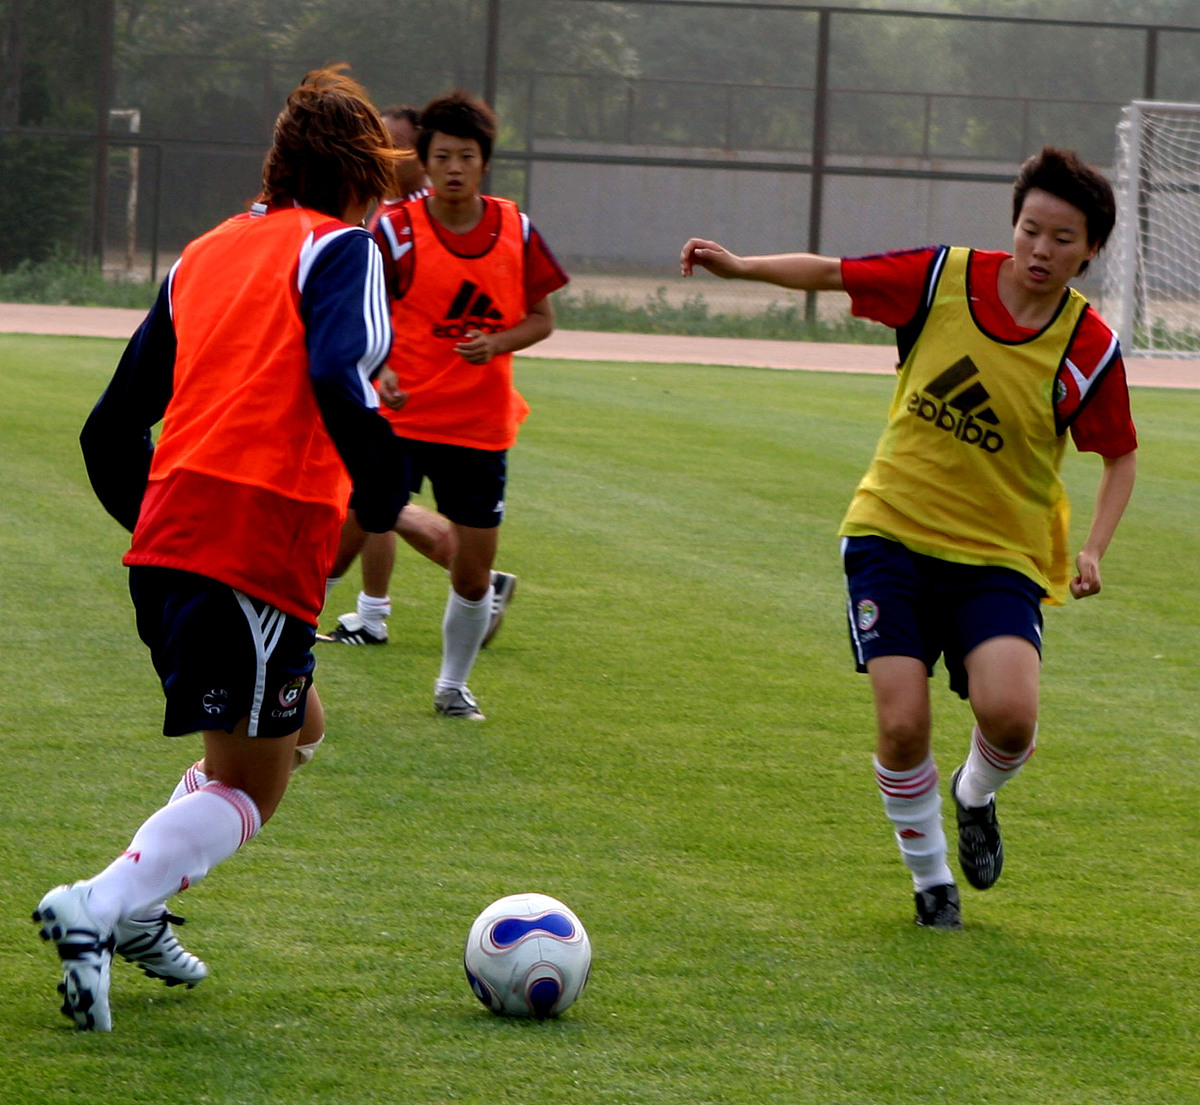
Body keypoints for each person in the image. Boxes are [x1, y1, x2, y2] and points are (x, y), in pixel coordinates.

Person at [34, 66, 408, 1031]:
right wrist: (388, 490)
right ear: (363, 174)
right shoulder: (343, 248)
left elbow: (107, 431)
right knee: (254, 786)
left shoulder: (202, 254)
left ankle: (143, 906)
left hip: (171, 545)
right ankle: (101, 905)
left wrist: (170, 528)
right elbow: (339, 366)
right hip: (251, 547)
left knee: (303, 727)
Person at [681, 146, 1138, 929]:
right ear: (1014, 223)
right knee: (901, 723)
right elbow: (834, 273)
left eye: (1063, 239)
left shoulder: (1088, 346)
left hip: (1001, 557)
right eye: (1031, 229)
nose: (1041, 250)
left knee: (1011, 718)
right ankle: (933, 884)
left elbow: (1119, 454)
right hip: (890, 534)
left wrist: (1092, 547)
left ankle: (973, 793)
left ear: (1091, 250)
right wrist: (740, 267)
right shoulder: (942, 278)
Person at [342, 88, 568, 719]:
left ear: (483, 162)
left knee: (472, 577)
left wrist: (497, 340)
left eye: (466, 156)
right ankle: (288, 658)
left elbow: (543, 318)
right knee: (344, 538)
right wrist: (380, 368)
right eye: (442, 156)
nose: (453, 168)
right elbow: (363, 313)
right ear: (426, 159)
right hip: (401, 419)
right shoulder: (393, 231)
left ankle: (452, 687)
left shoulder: (516, 230)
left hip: (478, 428)